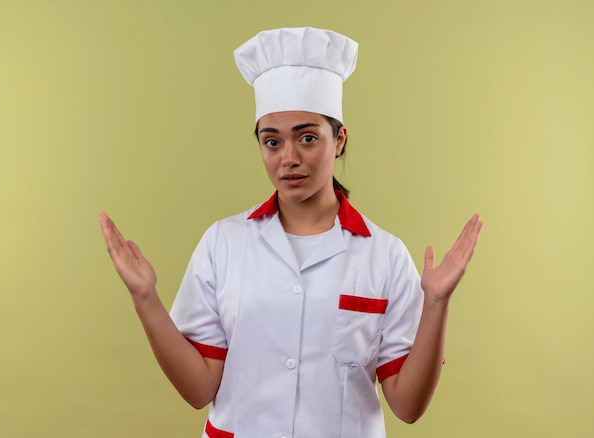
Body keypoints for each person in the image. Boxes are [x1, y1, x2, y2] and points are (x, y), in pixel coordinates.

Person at [99, 27, 483, 438]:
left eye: (307, 137)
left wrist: (437, 303)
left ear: (339, 140)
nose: (289, 158)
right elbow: (198, 389)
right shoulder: (223, 243)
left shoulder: (384, 255)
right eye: (272, 141)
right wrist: (145, 298)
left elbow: (407, 407)